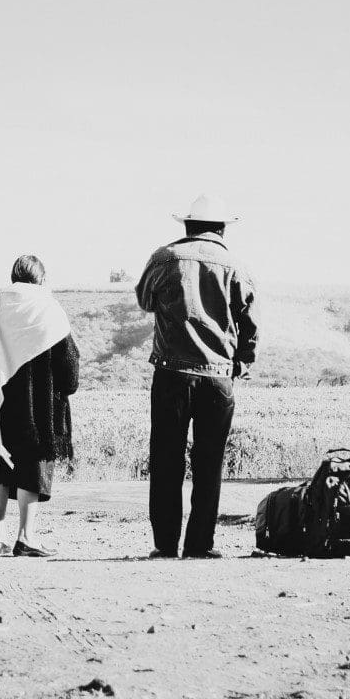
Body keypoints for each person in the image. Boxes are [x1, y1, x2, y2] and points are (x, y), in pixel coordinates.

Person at [135, 195, 258, 559]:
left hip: (171, 372)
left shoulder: (165, 258)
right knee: (209, 463)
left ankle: (165, 544)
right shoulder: (235, 266)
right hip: (218, 376)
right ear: (221, 229)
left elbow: (144, 300)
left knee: (166, 459)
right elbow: (249, 323)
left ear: (187, 226)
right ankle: (200, 544)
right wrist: (242, 361)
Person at [0, 255, 79, 557]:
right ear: (42, 279)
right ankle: (27, 536)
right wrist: (65, 389)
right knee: (34, 465)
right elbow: (69, 370)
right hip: (39, 403)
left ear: (14, 276)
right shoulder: (48, 308)